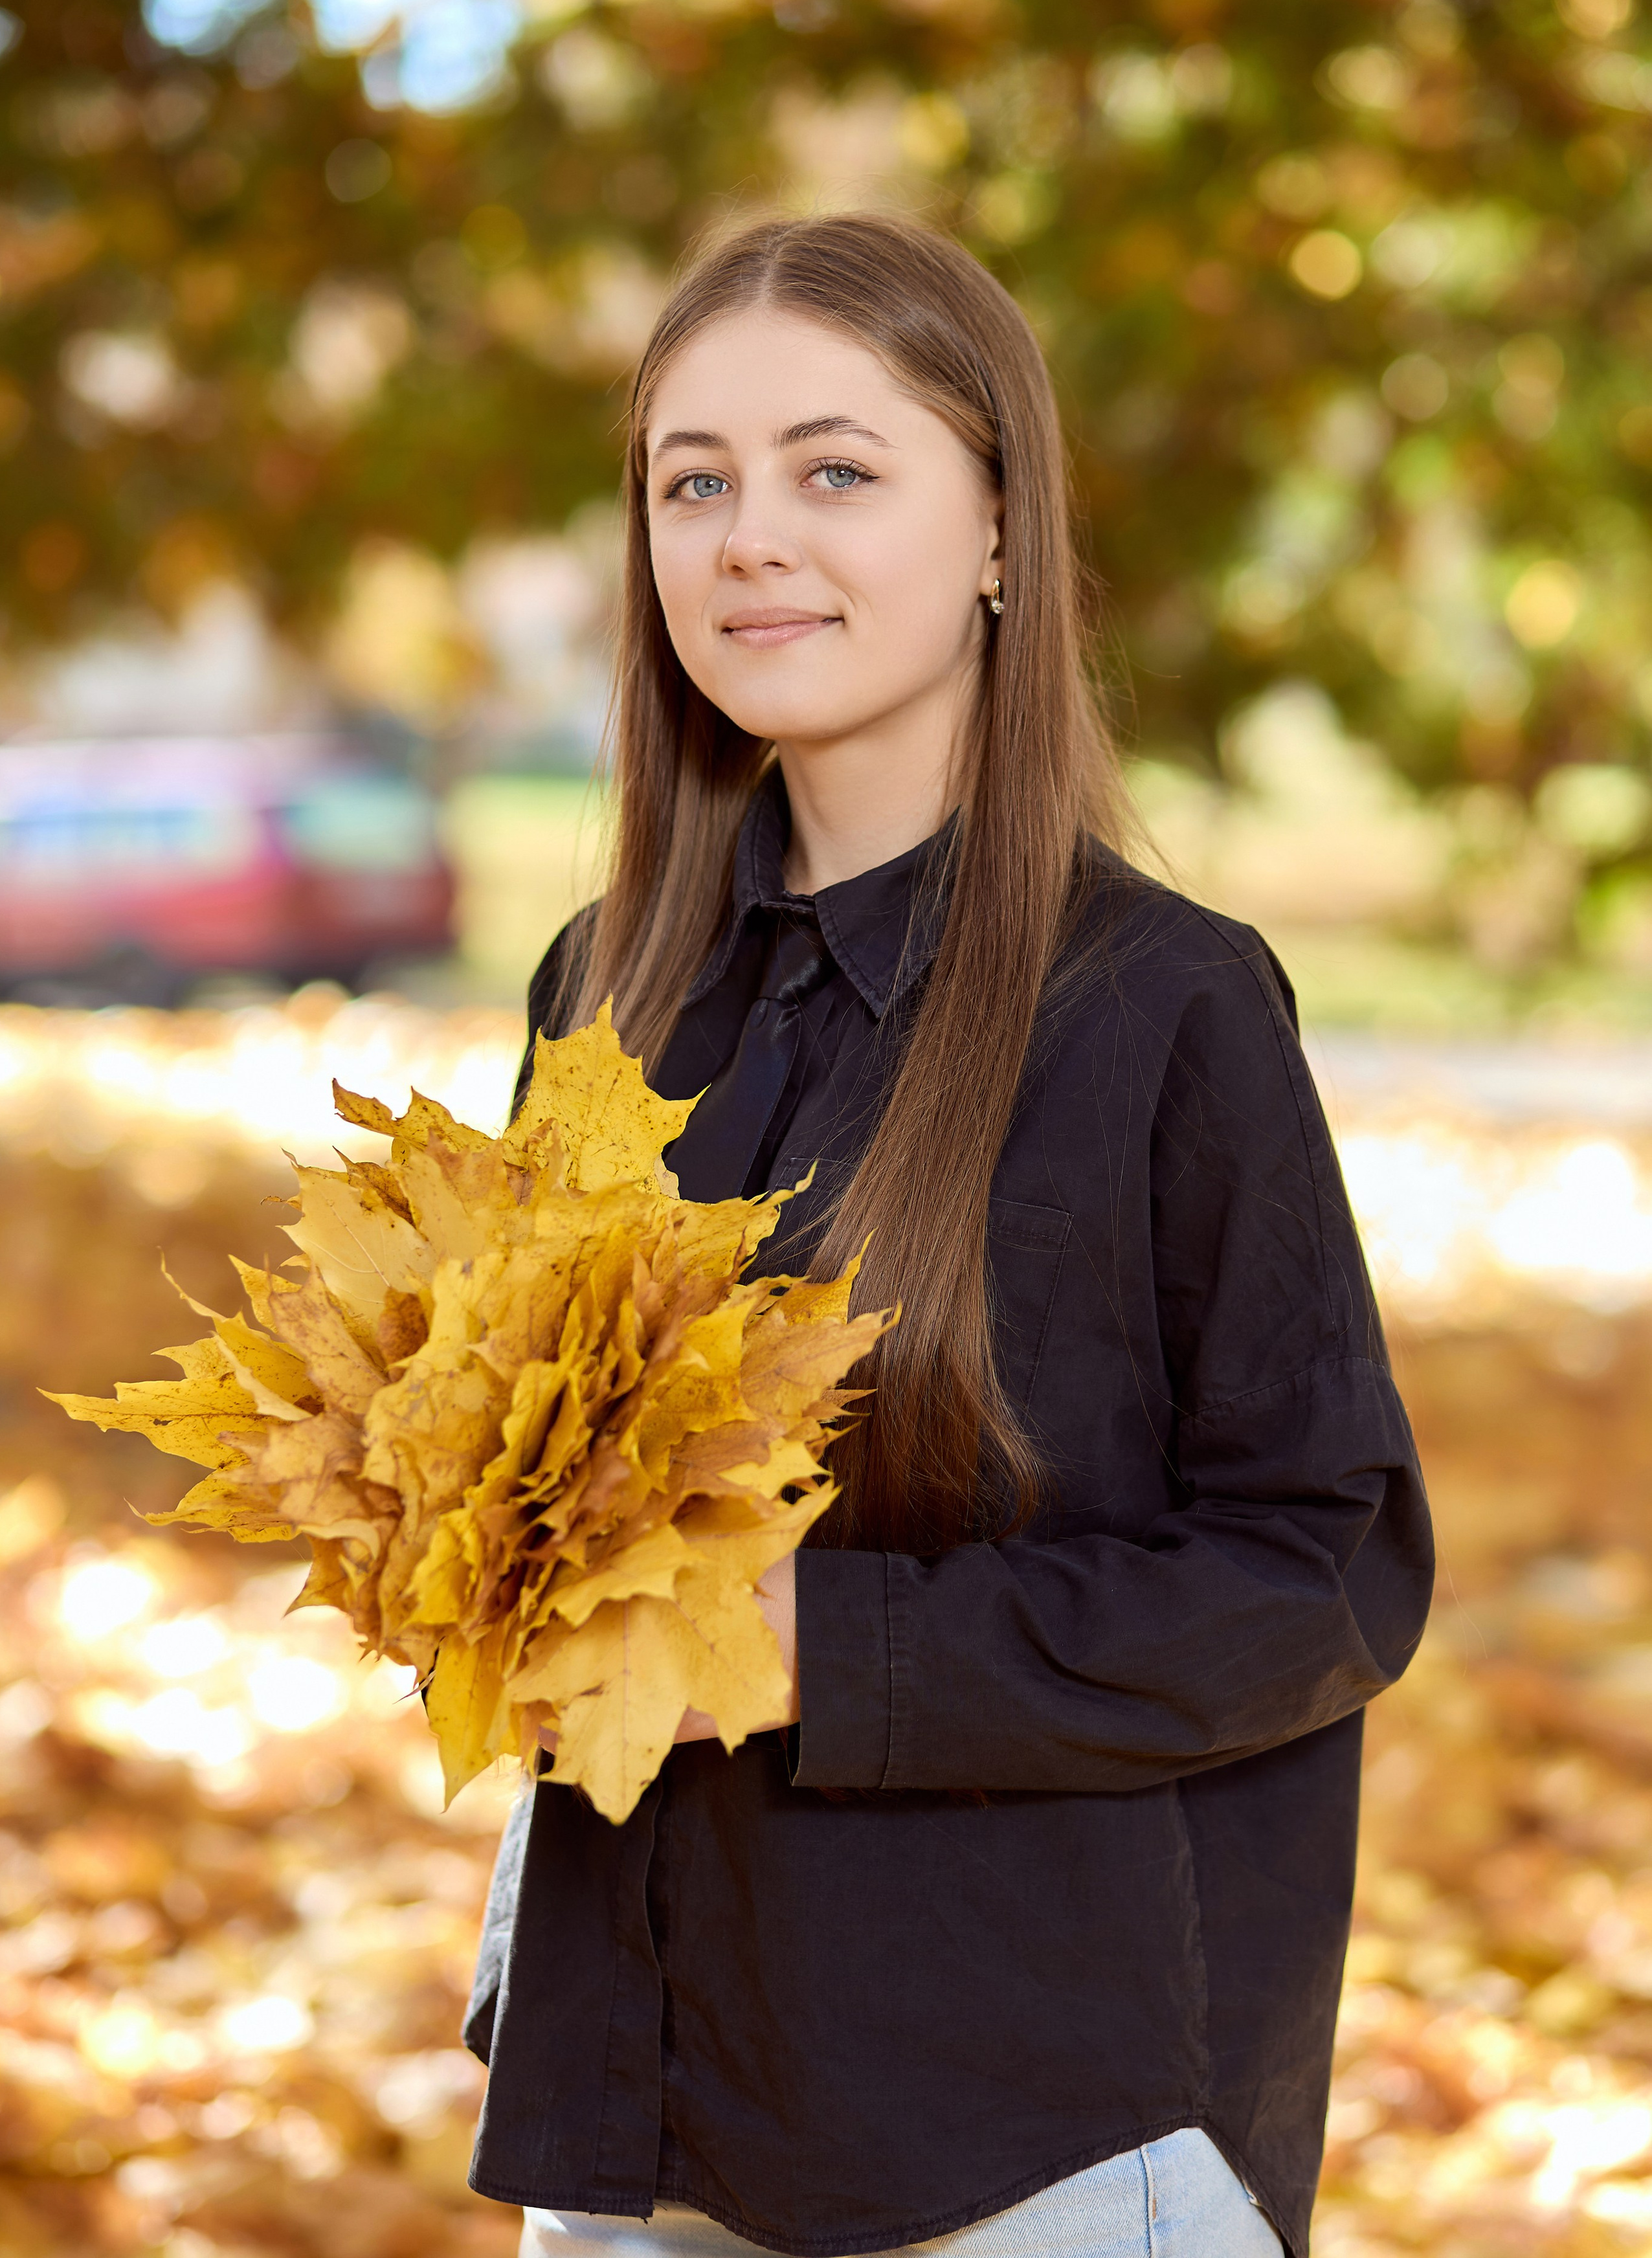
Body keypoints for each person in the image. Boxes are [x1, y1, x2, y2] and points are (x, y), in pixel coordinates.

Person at [463, 212, 1433, 2258]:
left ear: (1000, 526)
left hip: (1027, 2139)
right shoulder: (603, 989)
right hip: (636, 2106)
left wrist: (836, 1652)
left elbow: (1327, 1569)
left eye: (836, 469)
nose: (748, 540)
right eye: (691, 483)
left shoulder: (1162, 1005)